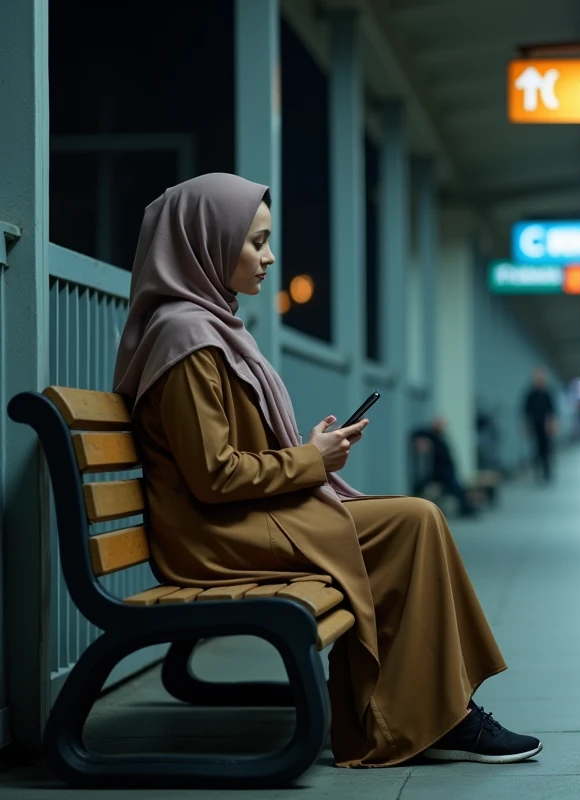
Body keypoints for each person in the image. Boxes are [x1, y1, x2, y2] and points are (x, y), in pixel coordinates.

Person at [111, 173, 540, 767]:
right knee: (414, 521)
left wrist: (310, 451)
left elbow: (225, 459)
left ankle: (440, 710)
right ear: (206, 243)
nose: (270, 257)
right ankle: (431, 716)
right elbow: (213, 477)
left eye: (268, 241)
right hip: (213, 536)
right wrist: (313, 461)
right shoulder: (189, 338)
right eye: (255, 242)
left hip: (236, 518)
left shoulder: (208, 327)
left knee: (419, 519)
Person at [412, 415, 478, 518]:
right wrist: (421, 440)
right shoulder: (431, 436)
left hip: (446, 472)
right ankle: (467, 508)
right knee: (457, 490)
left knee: (459, 489)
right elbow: (416, 433)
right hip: (440, 474)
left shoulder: (440, 438)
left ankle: (467, 507)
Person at [522, 367, 556, 484]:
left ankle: (547, 473)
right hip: (534, 426)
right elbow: (525, 411)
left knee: (546, 450)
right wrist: (526, 427)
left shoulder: (547, 394)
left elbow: (552, 412)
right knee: (535, 450)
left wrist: (552, 425)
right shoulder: (530, 394)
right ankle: (537, 474)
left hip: (545, 427)